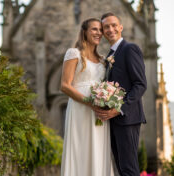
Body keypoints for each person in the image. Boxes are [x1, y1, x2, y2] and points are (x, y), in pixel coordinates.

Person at [60, 18, 115, 176]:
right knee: (80, 148)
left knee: (98, 148)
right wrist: (90, 102)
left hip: (99, 112)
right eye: (94, 29)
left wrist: (107, 100)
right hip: (80, 109)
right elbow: (64, 85)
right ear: (84, 32)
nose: (98, 33)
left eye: (100, 30)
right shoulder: (74, 53)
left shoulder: (103, 60)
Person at [96, 12, 147, 176]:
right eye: (106, 27)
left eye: (113, 25)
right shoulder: (110, 55)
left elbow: (140, 84)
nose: (110, 29)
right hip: (114, 119)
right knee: (121, 167)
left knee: (128, 168)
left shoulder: (129, 48)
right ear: (103, 32)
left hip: (127, 117)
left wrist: (120, 108)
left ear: (120, 27)